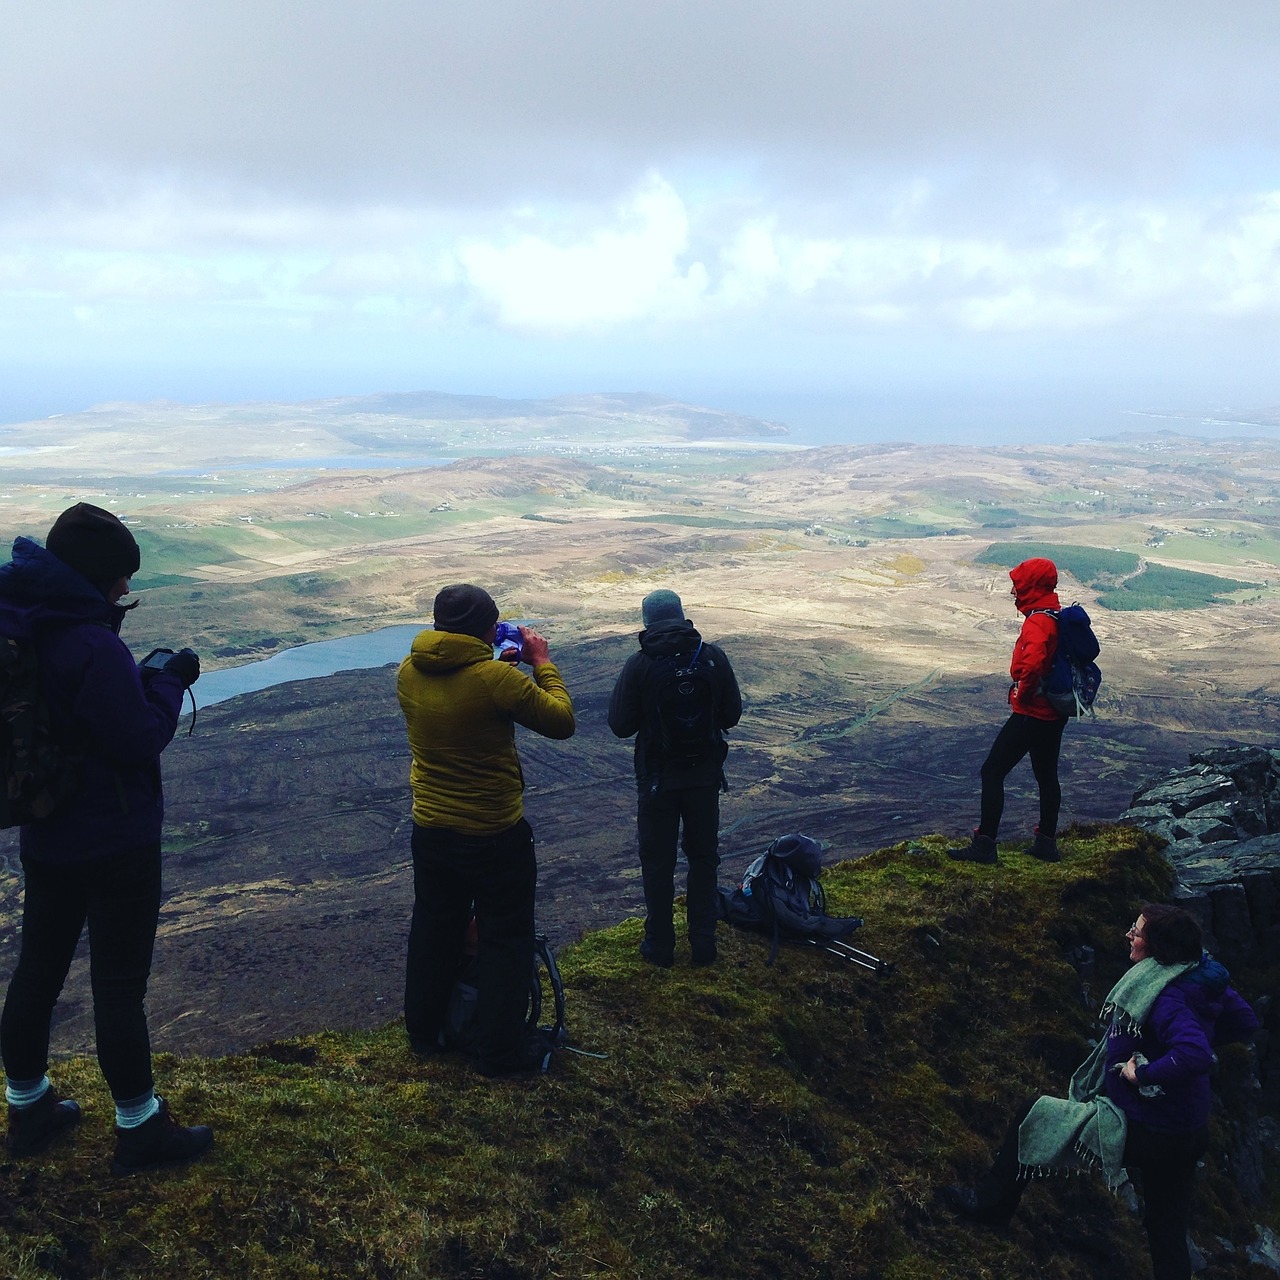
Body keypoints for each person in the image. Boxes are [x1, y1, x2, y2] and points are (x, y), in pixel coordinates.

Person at [0, 503, 212, 1173]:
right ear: (92, 577)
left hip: (46, 830)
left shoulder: (21, 621)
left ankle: (29, 1108)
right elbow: (137, 737)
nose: (125, 591)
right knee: (119, 989)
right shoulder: (89, 643)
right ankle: (141, 1129)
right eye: (119, 580)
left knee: (37, 973)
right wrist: (169, 681)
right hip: (114, 838)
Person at [943, 903, 1258, 1280]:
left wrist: (1144, 1073)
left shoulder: (1164, 996)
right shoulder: (1202, 977)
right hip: (1188, 1132)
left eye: (1137, 932)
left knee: (1034, 1111)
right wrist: (1176, 1046)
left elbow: (1193, 1053)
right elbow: (1244, 1022)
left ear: (1158, 948)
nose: (1129, 935)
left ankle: (989, 1206)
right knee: (1165, 1226)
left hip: (1152, 1128)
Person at [397, 584, 575, 1075]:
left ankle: (424, 1033)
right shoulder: (496, 679)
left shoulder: (409, 672)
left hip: (431, 829)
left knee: (435, 927)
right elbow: (561, 720)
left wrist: (500, 671)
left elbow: (466, 699)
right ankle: (499, 1052)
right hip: (494, 833)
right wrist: (541, 663)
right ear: (484, 628)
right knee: (505, 935)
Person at [608, 589, 741, 967]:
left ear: (647, 620)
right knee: (703, 858)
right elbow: (732, 715)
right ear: (682, 616)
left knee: (657, 862)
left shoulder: (640, 664)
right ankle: (704, 944)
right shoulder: (711, 657)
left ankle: (660, 946)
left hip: (657, 781)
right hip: (703, 778)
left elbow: (620, 725)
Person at [949, 556, 1068, 864]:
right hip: (1052, 714)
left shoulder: (1038, 621)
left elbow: (1030, 666)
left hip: (1033, 713)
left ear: (1032, 586)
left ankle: (985, 845)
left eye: (1018, 586)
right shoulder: (1053, 614)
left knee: (992, 771)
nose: (1014, 592)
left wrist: (1023, 695)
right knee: (1046, 776)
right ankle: (1046, 844)